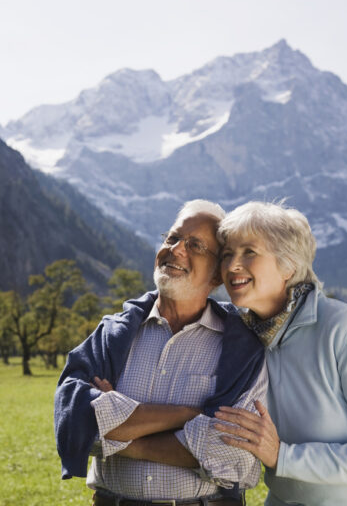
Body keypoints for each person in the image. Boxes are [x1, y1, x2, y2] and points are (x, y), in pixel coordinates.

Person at [54, 200, 268, 506]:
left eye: (195, 245)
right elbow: (77, 419)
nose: (176, 249)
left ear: (218, 274)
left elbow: (230, 450)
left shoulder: (243, 348)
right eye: (171, 238)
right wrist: (188, 416)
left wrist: (122, 431)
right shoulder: (114, 334)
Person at [212, 201, 347, 505]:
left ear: (288, 265)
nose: (232, 266)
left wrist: (284, 456)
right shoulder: (247, 336)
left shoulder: (344, 329)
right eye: (227, 254)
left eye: (249, 252)